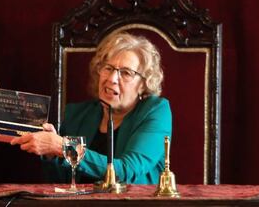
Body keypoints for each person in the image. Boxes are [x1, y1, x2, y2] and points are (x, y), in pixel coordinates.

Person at [11, 32, 172, 184]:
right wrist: (51, 155)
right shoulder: (77, 114)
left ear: (144, 84)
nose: (112, 78)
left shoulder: (155, 110)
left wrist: (63, 147)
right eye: (108, 68)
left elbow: (127, 170)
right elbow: (60, 184)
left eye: (126, 73)